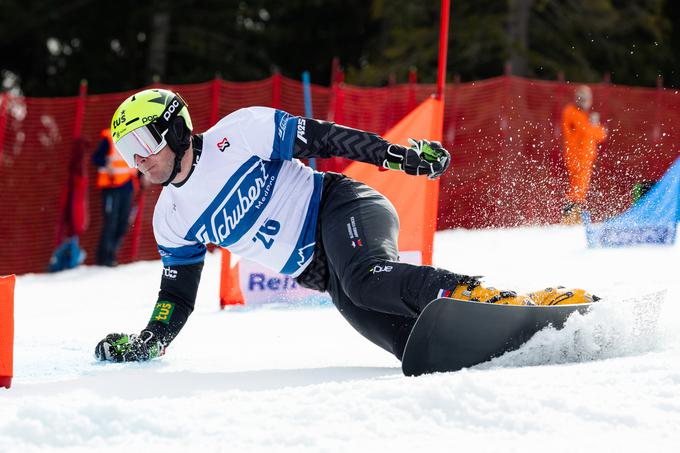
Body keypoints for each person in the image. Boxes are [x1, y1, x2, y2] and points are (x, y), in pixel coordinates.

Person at [95, 89, 597, 363]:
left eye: (142, 141)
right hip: (326, 272)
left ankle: (496, 296)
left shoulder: (239, 133)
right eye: (127, 151)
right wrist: (149, 340)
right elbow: (176, 297)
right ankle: (520, 341)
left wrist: (396, 156)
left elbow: (325, 137)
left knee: (368, 279)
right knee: (409, 346)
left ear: (176, 128)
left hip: (343, 207)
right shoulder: (171, 217)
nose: (138, 159)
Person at [92, 128, 140, 266]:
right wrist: (106, 164)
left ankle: (112, 255)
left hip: (128, 187)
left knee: (123, 223)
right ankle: (104, 258)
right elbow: (96, 158)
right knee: (110, 224)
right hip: (111, 187)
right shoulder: (109, 138)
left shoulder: (135, 138)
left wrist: (143, 177)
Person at [561, 85, 607, 224]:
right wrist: (594, 125)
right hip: (576, 157)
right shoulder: (571, 112)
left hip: (585, 158)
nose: (585, 102)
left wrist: (595, 125)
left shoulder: (583, 115)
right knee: (578, 189)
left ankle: (574, 218)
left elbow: (601, 136)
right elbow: (589, 131)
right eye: (583, 99)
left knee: (580, 189)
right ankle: (570, 218)